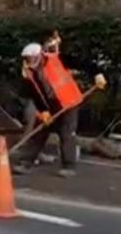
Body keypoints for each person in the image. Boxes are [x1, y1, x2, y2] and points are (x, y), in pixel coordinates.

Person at [13, 42, 84, 177]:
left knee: (66, 133)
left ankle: (69, 166)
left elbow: (73, 61)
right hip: (50, 105)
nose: (29, 61)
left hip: (69, 102)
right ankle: (26, 163)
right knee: (39, 131)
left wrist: (96, 75)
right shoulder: (30, 73)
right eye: (27, 58)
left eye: (32, 58)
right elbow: (36, 93)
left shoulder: (54, 60)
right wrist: (43, 110)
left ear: (39, 56)